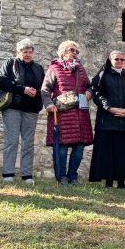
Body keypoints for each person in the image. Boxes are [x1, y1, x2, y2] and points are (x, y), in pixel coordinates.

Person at [42, 40, 94, 185]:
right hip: (62, 114)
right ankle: (62, 177)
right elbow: (45, 90)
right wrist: (49, 105)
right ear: (63, 52)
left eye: (77, 51)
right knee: (62, 147)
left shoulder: (81, 69)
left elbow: (89, 86)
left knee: (79, 146)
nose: (75, 53)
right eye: (72, 50)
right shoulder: (54, 69)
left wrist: (89, 93)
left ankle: (73, 176)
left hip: (80, 114)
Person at [89, 51, 125, 188]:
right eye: (116, 59)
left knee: (123, 152)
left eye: (122, 59)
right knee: (107, 153)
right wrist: (109, 108)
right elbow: (97, 93)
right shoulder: (103, 76)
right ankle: (109, 181)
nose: (119, 61)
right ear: (110, 60)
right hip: (107, 120)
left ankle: (122, 182)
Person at [0, 38, 44, 184]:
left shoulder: (38, 68)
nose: (28, 54)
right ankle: (8, 174)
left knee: (28, 143)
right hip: (13, 108)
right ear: (18, 52)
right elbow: (2, 81)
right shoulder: (10, 63)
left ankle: (27, 175)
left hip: (31, 110)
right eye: (25, 52)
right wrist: (22, 89)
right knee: (11, 141)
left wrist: (36, 92)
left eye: (30, 52)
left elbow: (43, 87)